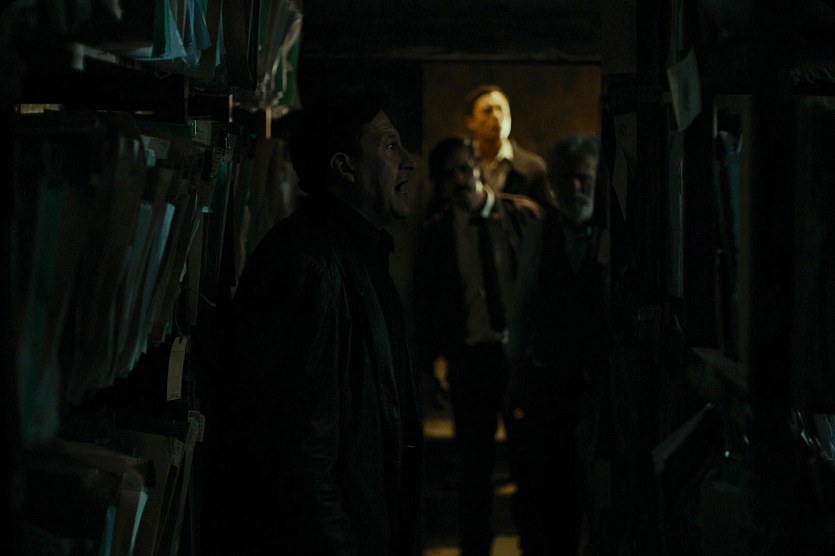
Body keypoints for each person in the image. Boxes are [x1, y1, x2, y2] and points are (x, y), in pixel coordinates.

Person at [199, 90, 424, 556]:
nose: (408, 161)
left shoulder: (359, 255)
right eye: (389, 146)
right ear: (345, 168)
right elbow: (300, 451)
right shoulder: (310, 266)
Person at [414, 136, 542, 556]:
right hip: (471, 360)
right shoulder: (436, 234)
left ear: (478, 167)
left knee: (530, 462)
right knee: (474, 467)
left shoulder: (522, 216)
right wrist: (429, 365)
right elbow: (427, 305)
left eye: (464, 168)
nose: (459, 180)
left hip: (520, 358)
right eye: (448, 175)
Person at [505, 133, 610, 556]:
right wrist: (516, 365)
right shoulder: (541, 231)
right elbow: (523, 299)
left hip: (601, 383)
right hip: (550, 379)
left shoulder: (613, 231)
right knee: (552, 490)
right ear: (550, 184)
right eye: (564, 178)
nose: (574, 187)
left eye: (583, 177)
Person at [462, 84, 552, 208]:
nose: (496, 116)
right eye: (487, 111)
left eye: (501, 109)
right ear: (470, 121)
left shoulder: (533, 168)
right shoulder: (460, 167)